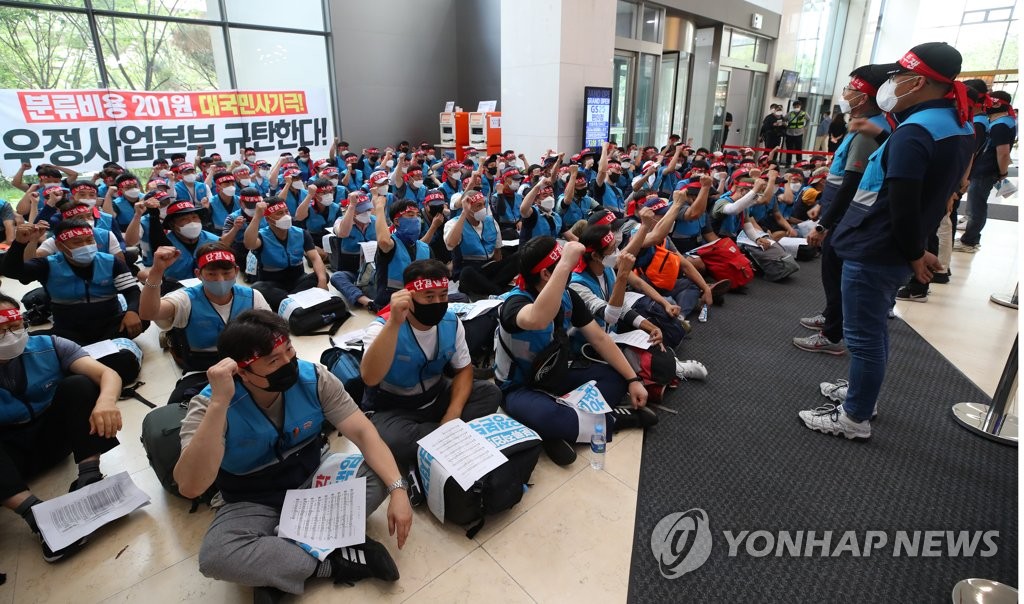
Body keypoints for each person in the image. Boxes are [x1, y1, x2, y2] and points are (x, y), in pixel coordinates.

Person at [801, 42, 975, 439]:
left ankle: (854, 417)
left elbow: (902, 201)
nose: (891, 84)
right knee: (872, 328)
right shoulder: (957, 125)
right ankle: (860, 395)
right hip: (891, 244)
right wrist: (915, 248)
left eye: (897, 77)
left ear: (918, 81)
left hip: (877, 245)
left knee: (864, 336)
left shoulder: (917, 131)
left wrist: (914, 252)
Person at [174, 310, 411, 599]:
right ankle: (334, 562)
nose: (288, 363)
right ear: (242, 371)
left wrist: (398, 490)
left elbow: (363, 433)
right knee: (218, 556)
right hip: (252, 498)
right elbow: (191, 486)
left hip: (313, 477)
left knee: (380, 472)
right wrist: (220, 404)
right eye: (273, 360)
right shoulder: (210, 405)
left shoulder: (314, 379)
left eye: (289, 351)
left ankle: (278, 566)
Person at [494, 237, 656, 466]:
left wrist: (633, 378)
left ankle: (561, 431)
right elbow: (538, 318)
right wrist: (564, 263)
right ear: (546, 274)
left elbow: (599, 338)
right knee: (546, 416)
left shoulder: (568, 296)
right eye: (565, 265)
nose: (571, 269)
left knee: (615, 377)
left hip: (555, 374)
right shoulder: (514, 303)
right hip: (519, 386)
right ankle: (611, 420)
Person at [0, 293, 123, 562]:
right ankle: (37, 516)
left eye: (14, 327)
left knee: (80, 384)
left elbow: (106, 374)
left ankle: (88, 477)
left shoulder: (50, 345)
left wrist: (106, 401)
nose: (9, 336)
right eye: (0, 331)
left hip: (52, 440)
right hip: (9, 457)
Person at [360, 260, 501, 476]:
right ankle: (453, 438)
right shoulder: (381, 328)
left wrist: (453, 412)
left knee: (489, 393)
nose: (438, 302)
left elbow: (463, 370)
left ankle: (439, 439)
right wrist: (394, 324)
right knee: (395, 440)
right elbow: (370, 378)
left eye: (443, 295)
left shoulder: (451, 322)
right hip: (395, 409)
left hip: (437, 396)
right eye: (429, 296)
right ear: (409, 296)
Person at [796, 65, 892, 356]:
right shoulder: (863, 127)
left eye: (849, 89)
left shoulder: (865, 133)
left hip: (846, 216)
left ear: (863, 97)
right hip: (839, 211)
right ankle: (830, 315)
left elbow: (851, 184)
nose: (844, 94)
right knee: (831, 272)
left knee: (835, 273)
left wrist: (824, 223)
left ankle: (832, 334)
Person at [4, 220, 146, 345]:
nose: (85, 245)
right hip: (67, 331)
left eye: (90, 240)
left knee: (142, 318)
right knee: (25, 340)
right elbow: (13, 271)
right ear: (60, 246)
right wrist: (19, 244)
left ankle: (86, 350)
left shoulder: (112, 262)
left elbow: (132, 291)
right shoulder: (47, 265)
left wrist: (132, 311)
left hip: (110, 324)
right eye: (77, 242)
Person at [139, 243, 268, 372]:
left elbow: (271, 331)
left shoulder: (252, 297)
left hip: (246, 363)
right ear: (198, 274)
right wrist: (156, 272)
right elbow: (149, 313)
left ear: (236, 271)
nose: (220, 279)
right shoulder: (185, 299)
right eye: (212, 274)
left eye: (226, 273)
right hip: (201, 368)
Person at [956, 90, 1016, 253]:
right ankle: (970, 237)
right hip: (985, 169)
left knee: (977, 207)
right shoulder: (1004, 122)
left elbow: (1003, 152)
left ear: (997, 104)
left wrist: (1002, 174)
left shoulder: (1001, 125)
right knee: (976, 206)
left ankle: (970, 241)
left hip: (985, 171)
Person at [244, 200, 328, 312]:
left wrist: (322, 281)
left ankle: (288, 303)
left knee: (323, 275)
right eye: (279, 213)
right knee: (257, 289)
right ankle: (299, 301)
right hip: (273, 285)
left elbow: (315, 258)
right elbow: (249, 243)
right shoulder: (262, 236)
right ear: (268, 219)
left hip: (298, 280)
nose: (286, 216)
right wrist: (257, 216)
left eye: (286, 212)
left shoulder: (301, 233)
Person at [443, 190, 519, 297]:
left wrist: (501, 270)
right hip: (469, 272)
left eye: (484, 204)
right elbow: (450, 244)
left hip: (489, 268)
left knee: (519, 256)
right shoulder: (453, 223)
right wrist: (464, 213)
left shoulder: (491, 221)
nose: (483, 209)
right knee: (467, 273)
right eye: (478, 205)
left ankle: (492, 288)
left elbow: (497, 253)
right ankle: (498, 292)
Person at [373, 198, 432, 308]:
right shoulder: (391, 245)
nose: (416, 219)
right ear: (396, 221)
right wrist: (380, 207)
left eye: (418, 215)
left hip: (419, 302)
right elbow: (383, 241)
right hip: (390, 305)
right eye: (410, 215)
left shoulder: (425, 248)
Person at [329, 192, 378, 312]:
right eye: (361, 211)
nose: (366, 213)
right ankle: (367, 302)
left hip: (374, 268)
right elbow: (342, 233)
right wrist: (351, 206)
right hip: (352, 271)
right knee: (337, 277)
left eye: (367, 210)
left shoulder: (375, 221)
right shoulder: (340, 221)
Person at [784, 101, 809, 165]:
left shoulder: (804, 113)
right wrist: (785, 124)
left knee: (799, 149)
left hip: (799, 134)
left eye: (798, 106)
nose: (796, 107)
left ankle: (799, 163)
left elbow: (808, 120)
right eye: (795, 106)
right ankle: (788, 163)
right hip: (789, 133)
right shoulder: (790, 113)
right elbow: (784, 119)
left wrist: (805, 127)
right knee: (789, 149)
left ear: (800, 106)